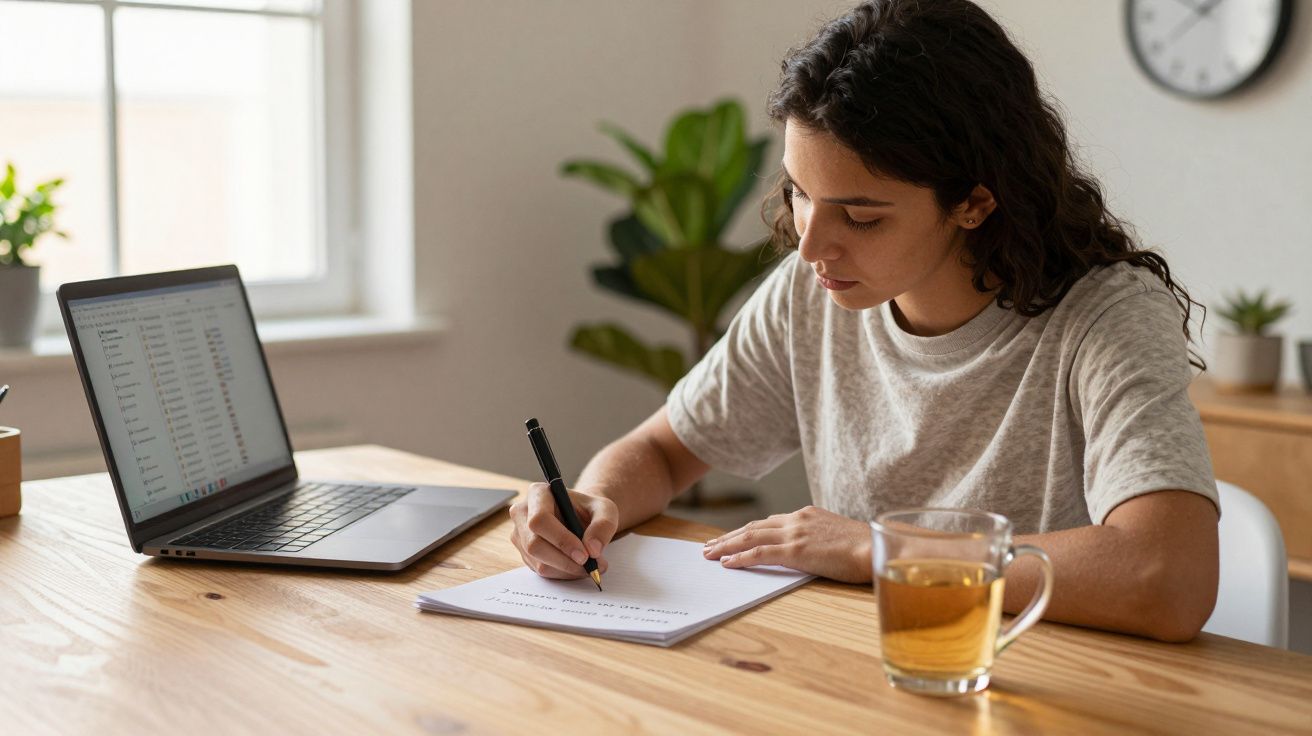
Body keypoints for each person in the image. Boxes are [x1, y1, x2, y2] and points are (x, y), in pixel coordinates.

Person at [511, 0, 1220, 642]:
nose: (811, 245)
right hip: (863, 668)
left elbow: (1167, 576)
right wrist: (593, 506)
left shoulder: (1106, 318)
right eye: (799, 193)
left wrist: (876, 548)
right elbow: (665, 453)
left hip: (1044, 682)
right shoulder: (812, 290)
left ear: (974, 202)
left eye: (860, 215)